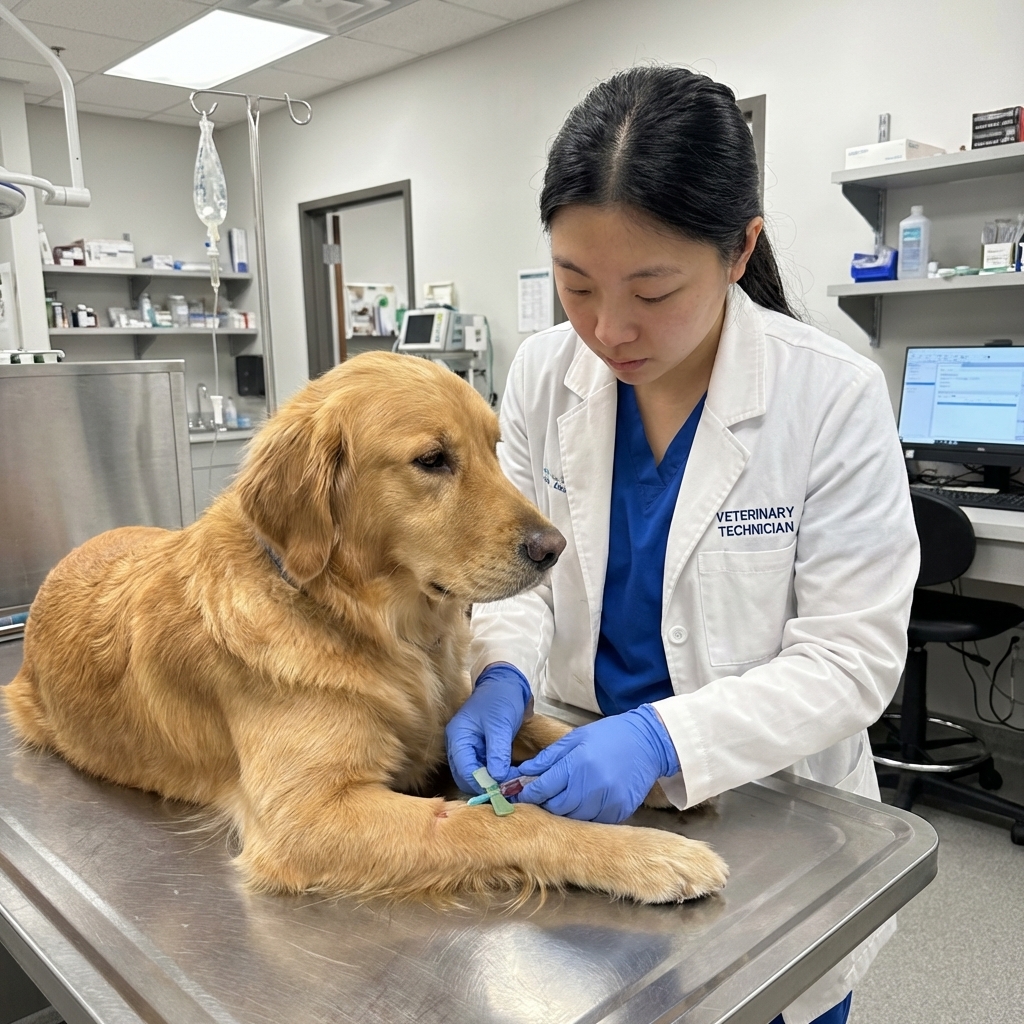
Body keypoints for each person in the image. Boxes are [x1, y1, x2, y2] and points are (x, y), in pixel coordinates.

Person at [445, 67, 918, 1024]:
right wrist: (499, 675)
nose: (609, 330)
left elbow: (850, 659)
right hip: (571, 786)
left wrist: (666, 736)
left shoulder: (829, 394)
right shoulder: (543, 375)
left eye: (653, 290)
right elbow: (522, 580)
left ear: (740, 250)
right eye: (576, 286)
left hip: (768, 808)